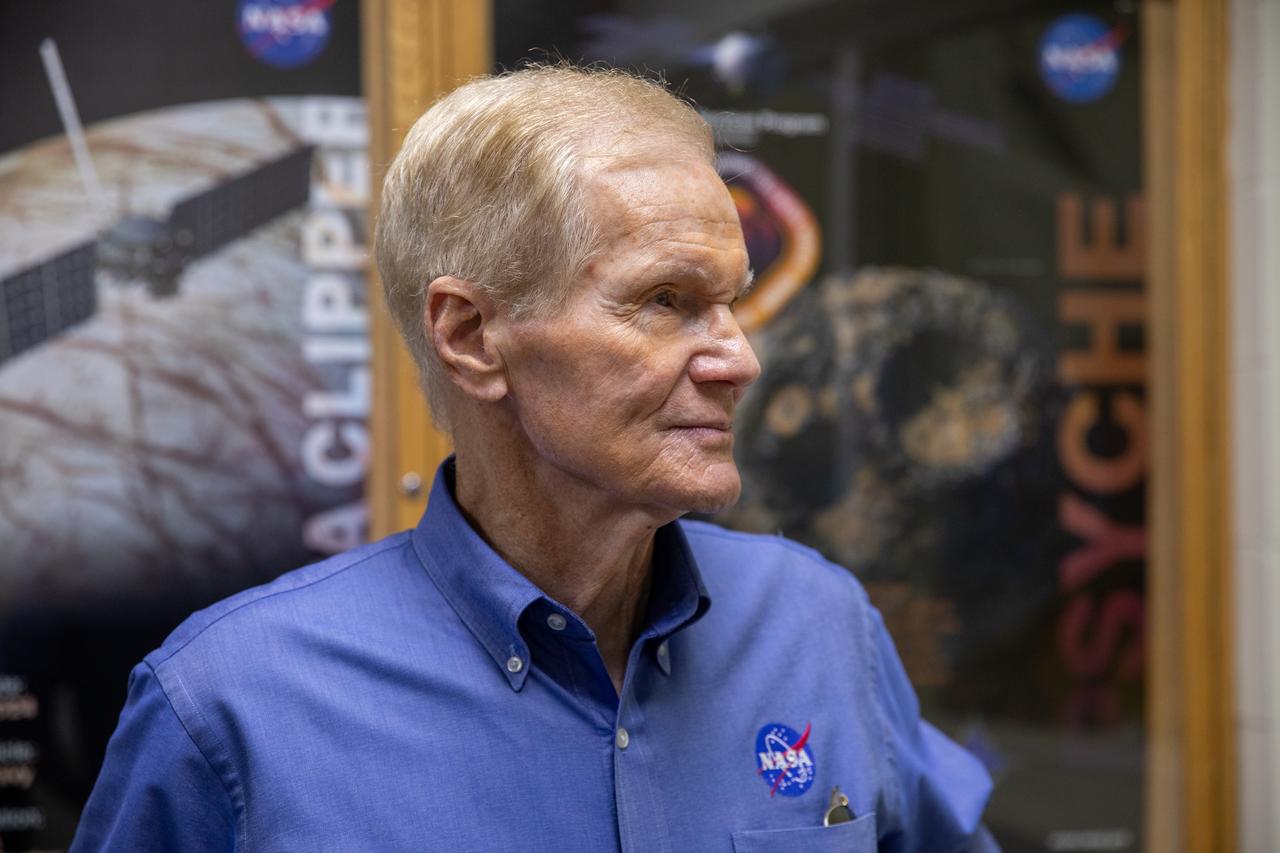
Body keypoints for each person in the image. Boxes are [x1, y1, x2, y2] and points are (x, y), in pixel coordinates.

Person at [71, 65, 997, 852]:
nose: (739, 359)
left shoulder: (816, 624)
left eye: (732, 303)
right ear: (472, 335)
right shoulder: (232, 708)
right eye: (667, 301)